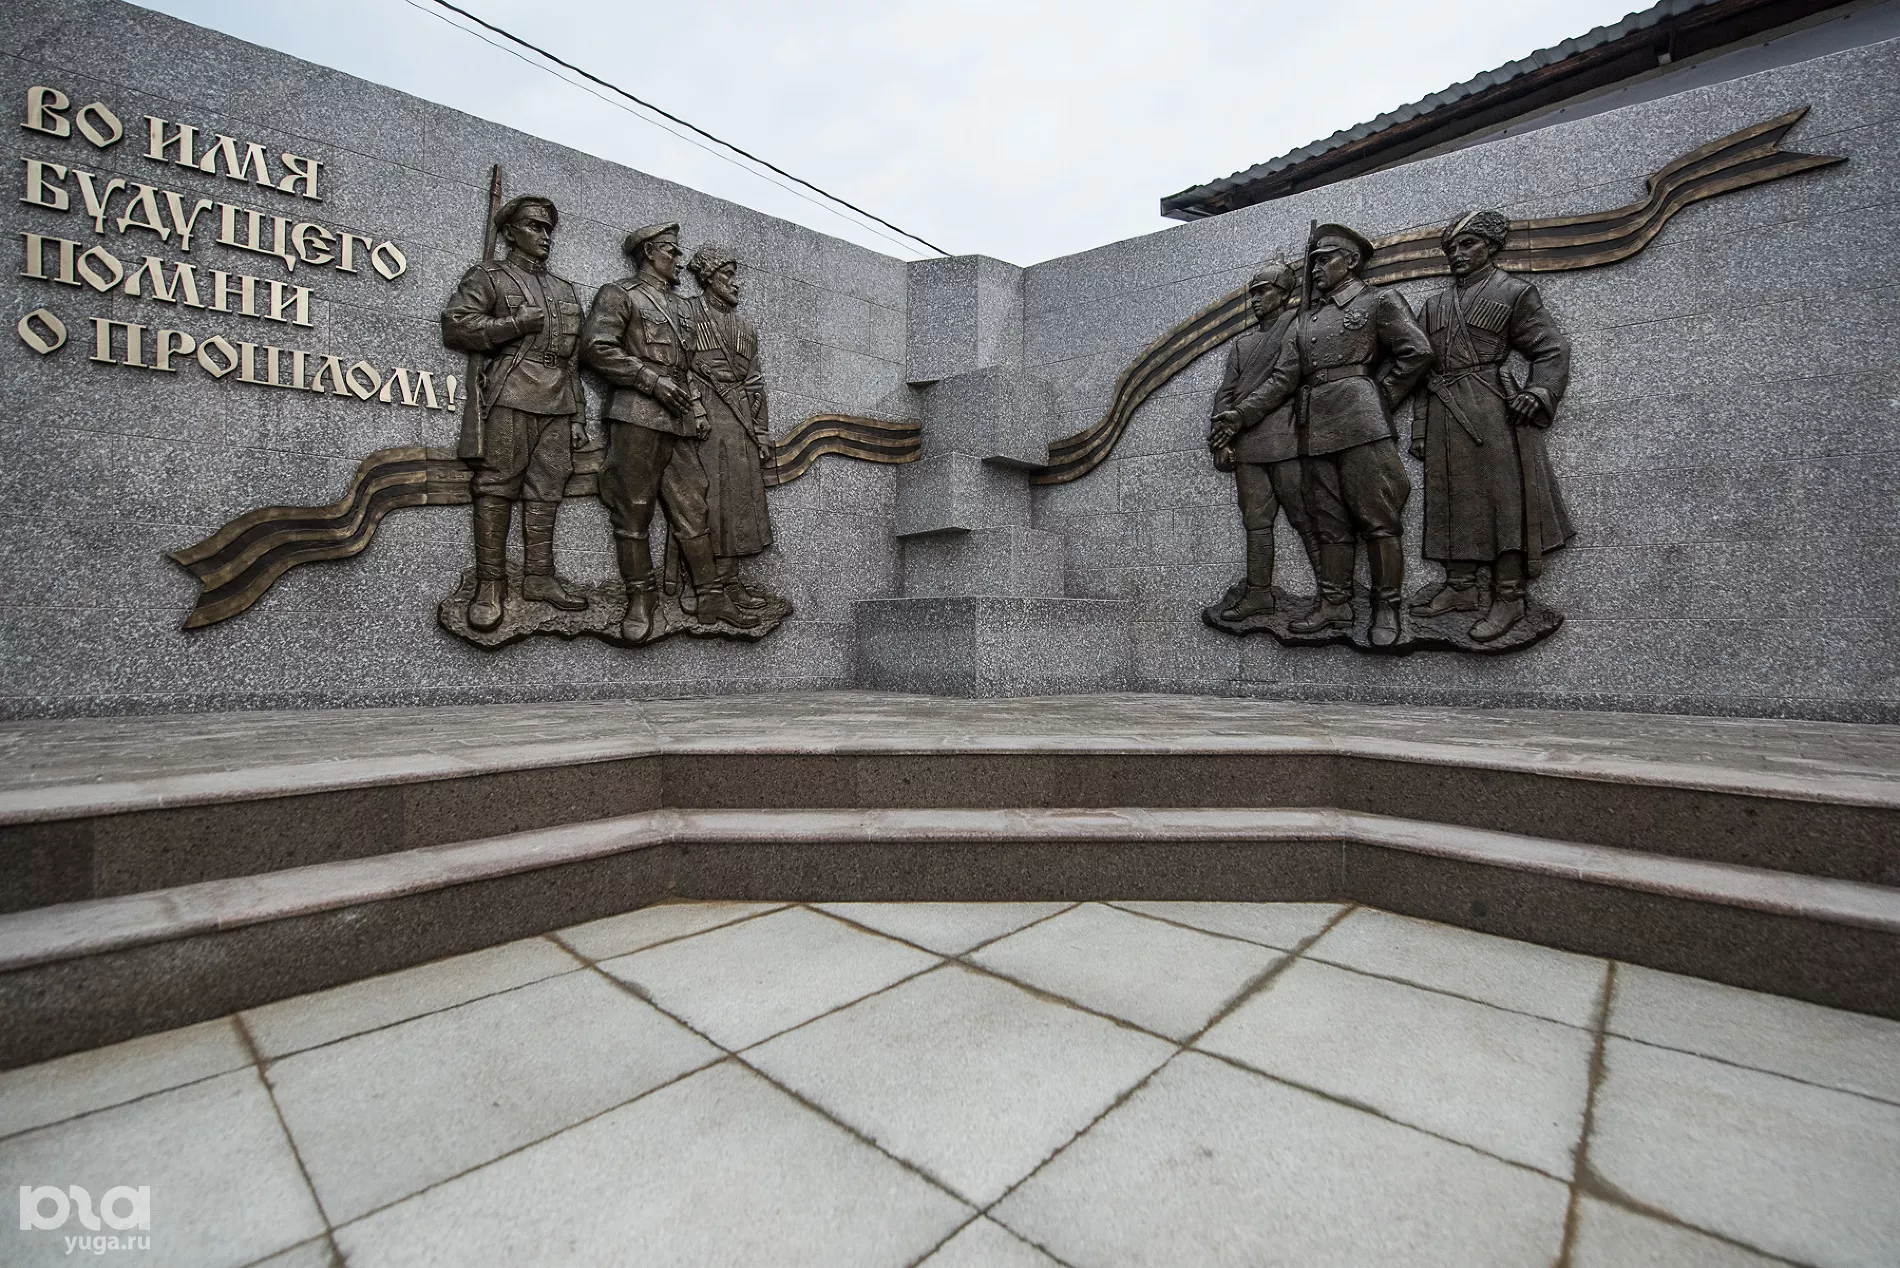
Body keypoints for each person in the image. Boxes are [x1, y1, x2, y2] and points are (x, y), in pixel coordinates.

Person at [1213, 224, 1434, 646]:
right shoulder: (1306, 321)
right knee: (1329, 524)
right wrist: (1240, 416)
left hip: (1361, 424)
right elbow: (1282, 379)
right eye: (1312, 262)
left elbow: (1418, 352)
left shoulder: (1378, 301)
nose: (1315, 270)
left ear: (1350, 261)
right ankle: (1335, 603)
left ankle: (1386, 607)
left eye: (1324, 260)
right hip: (1315, 430)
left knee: (1379, 521)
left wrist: (1378, 397)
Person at [582, 222, 757, 641]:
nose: (679, 259)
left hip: (680, 421)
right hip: (637, 415)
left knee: (693, 509)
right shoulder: (620, 294)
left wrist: (696, 408)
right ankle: (641, 598)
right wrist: (650, 381)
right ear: (649, 253)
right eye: (671, 251)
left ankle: (710, 596)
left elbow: (688, 368)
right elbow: (596, 348)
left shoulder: (681, 308)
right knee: (634, 510)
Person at [1411, 209, 1574, 641]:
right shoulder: (1434, 305)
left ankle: (1510, 595)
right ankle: (1461, 586)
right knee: (1448, 497)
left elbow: (1551, 348)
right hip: (1444, 407)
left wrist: (1538, 392)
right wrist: (1420, 429)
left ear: (1491, 246)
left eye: (1468, 245)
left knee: (1502, 500)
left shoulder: (1513, 292)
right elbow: (1423, 372)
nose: (1457, 254)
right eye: (1452, 248)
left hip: (1491, 406)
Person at [439, 194, 588, 631]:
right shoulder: (488, 276)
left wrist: (578, 414)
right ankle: (491, 584)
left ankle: (539, 577)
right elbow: (456, 325)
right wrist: (513, 325)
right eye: (534, 226)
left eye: (548, 228)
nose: (545, 235)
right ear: (509, 232)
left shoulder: (564, 289)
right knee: (496, 486)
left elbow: (572, 360)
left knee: (548, 490)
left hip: (558, 401)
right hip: (511, 392)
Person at [1208, 260, 1322, 620]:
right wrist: (1221, 439)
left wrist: (1240, 417)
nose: (1256, 299)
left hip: (1284, 440)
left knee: (1304, 518)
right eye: (1253, 293)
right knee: (1255, 522)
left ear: (1284, 293)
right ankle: (1259, 594)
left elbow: (1284, 380)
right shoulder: (1242, 345)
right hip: (1245, 445)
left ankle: (1333, 595)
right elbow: (1225, 394)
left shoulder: (1297, 327)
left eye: (1264, 291)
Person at [682, 245, 775, 611]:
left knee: (739, 505)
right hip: (705, 415)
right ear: (708, 277)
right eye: (728, 275)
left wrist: (761, 431)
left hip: (740, 422)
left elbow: (754, 382)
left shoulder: (745, 327)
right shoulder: (687, 312)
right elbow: (677, 365)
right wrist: (695, 408)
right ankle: (698, 583)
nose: (736, 284)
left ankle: (730, 582)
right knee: (706, 503)